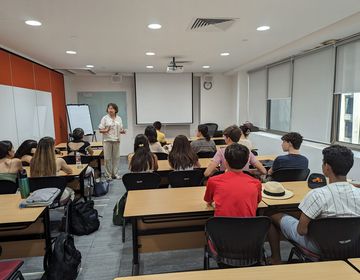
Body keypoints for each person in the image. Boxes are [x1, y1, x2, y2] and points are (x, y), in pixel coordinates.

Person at [268, 145, 360, 264]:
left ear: (327, 167)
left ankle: (276, 259)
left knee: (272, 214)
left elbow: (301, 231)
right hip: (352, 247)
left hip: (319, 248)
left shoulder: (317, 195)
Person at [204, 143, 262, 216]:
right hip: (248, 226)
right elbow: (257, 201)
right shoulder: (256, 183)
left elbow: (208, 201)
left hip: (221, 226)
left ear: (225, 162)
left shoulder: (213, 181)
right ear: (246, 163)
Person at [30, 137, 74, 203]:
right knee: (71, 191)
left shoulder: (33, 161)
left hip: (38, 194)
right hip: (55, 193)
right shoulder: (59, 161)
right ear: (52, 148)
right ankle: (68, 212)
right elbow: (70, 171)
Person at [99, 103, 125, 180]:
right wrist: (106, 130)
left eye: (112, 108)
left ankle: (115, 174)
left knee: (116, 157)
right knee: (107, 158)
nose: (110, 110)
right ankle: (108, 175)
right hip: (107, 140)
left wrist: (122, 131)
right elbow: (100, 130)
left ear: (115, 110)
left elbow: (120, 129)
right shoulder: (105, 118)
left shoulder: (119, 118)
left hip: (116, 140)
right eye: (109, 108)